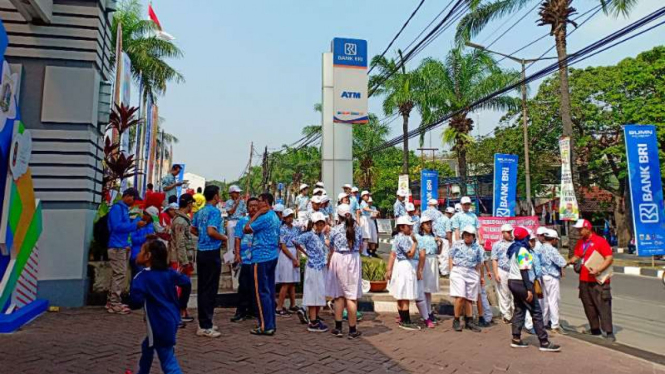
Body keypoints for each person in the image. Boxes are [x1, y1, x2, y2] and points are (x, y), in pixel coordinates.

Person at [129, 240, 191, 374]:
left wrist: (129, 299)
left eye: (141, 251)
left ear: (148, 256)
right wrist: (182, 304)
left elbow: (135, 302)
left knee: (167, 358)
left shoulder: (142, 277)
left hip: (157, 321)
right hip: (173, 318)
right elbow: (186, 283)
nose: (138, 254)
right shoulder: (169, 273)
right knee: (147, 346)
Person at [506, 226, 561, 352]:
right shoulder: (523, 251)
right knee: (536, 311)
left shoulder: (513, 249)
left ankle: (516, 338)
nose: (532, 243)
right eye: (530, 240)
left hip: (512, 281)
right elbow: (524, 271)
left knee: (519, 309)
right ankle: (544, 341)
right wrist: (529, 289)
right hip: (522, 283)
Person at [568, 219, 615, 342]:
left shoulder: (600, 241)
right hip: (584, 279)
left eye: (580, 229)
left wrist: (599, 269)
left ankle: (609, 332)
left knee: (603, 305)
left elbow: (609, 258)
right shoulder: (581, 242)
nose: (578, 231)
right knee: (588, 304)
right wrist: (569, 261)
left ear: (588, 228)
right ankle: (595, 329)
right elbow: (577, 255)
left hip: (598, 280)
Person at [243, 193, 281, 336]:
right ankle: (270, 323)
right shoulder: (274, 216)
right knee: (269, 291)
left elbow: (246, 229)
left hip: (261, 258)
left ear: (265, 202)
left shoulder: (264, 217)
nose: (256, 204)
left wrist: (257, 213)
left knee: (261, 292)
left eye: (259, 202)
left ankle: (265, 325)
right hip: (272, 256)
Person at [191, 185, 226, 338]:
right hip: (212, 252)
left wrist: (202, 236)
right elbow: (212, 231)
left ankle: (205, 321)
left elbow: (193, 229)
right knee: (210, 288)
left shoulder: (199, 212)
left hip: (201, 251)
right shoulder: (214, 212)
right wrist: (224, 238)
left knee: (203, 287)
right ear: (216, 196)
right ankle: (205, 325)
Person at [326, 204, 364, 339]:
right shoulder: (358, 229)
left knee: (338, 295)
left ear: (339, 216)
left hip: (338, 258)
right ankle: (352, 329)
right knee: (351, 296)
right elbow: (360, 246)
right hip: (353, 259)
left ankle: (338, 328)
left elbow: (330, 247)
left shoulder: (335, 230)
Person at [107, 188, 146, 314]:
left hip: (122, 245)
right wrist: (135, 225)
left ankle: (112, 301)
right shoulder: (117, 208)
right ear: (128, 196)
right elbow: (116, 227)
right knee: (120, 274)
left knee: (118, 274)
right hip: (117, 246)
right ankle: (114, 303)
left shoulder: (123, 209)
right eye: (133, 199)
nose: (134, 202)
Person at [386, 215, 425, 331]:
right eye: (409, 226)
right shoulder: (403, 238)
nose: (411, 228)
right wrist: (415, 243)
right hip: (405, 266)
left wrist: (389, 269)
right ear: (402, 227)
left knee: (401, 294)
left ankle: (403, 318)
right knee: (405, 295)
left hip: (401, 266)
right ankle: (406, 320)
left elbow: (392, 254)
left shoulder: (398, 238)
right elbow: (410, 254)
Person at [295, 212, 329, 332]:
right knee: (312, 293)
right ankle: (313, 321)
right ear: (313, 224)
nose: (320, 227)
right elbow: (296, 241)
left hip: (320, 267)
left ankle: (314, 318)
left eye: (321, 224)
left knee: (319, 293)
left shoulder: (321, 235)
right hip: (313, 267)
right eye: (317, 224)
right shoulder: (308, 235)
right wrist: (305, 253)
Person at [448, 225, 483, 332]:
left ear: (474, 236)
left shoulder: (477, 248)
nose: (468, 237)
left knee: (470, 297)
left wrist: (477, 275)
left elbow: (479, 262)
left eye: (470, 235)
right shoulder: (457, 244)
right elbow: (450, 256)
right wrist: (451, 270)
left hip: (471, 271)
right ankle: (456, 319)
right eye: (466, 235)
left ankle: (469, 320)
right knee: (460, 296)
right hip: (458, 270)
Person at [231, 197, 259, 322]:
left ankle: (253, 310)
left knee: (256, 287)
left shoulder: (261, 221)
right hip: (245, 259)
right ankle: (240, 312)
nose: (253, 208)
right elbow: (237, 238)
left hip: (258, 258)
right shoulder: (242, 221)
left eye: (255, 206)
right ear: (247, 208)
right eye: (251, 206)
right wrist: (237, 254)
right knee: (244, 286)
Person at [170, 193, 196, 323]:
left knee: (185, 286)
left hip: (183, 258)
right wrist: (184, 261)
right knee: (181, 287)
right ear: (189, 204)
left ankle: (182, 311)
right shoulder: (180, 221)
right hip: (181, 260)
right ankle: (178, 313)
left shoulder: (181, 219)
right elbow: (180, 243)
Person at [416, 216, 443, 328]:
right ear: (422, 225)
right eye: (427, 224)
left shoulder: (433, 236)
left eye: (430, 223)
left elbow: (438, 252)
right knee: (424, 287)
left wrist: (440, 243)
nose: (429, 225)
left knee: (429, 289)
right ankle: (425, 313)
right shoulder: (419, 237)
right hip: (425, 260)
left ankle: (429, 311)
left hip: (433, 259)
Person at [540, 229, 567, 335]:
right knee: (554, 301)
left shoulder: (540, 248)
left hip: (542, 276)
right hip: (551, 277)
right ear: (554, 239)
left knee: (545, 301)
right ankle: (555, 325)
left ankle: (544, 321)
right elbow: (562, 262)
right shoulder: (552, 250)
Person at [276, 208, 301, 316]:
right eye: (288, 217)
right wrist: (293, 258)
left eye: (291, 216)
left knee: (292, 282)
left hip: (293, 253)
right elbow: (283, 246)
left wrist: (297, 257)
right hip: (286, 256)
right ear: (284, 218)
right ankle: (279, 306)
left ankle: (293, 304)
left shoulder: (295, 229)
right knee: (286, 282)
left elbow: (297, 244)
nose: (290, 218)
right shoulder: (282, 229)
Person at [491, 224, 515, 324]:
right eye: (508, 232)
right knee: (504, 293)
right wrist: (496, 273)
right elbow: (494, 259)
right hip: (503, 270)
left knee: (515, 294)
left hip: (514, 272)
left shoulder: (516, 243)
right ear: (503, 233)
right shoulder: (497, 245)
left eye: (511, 232)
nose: (510, 234)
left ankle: (515, 314)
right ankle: (506, 315)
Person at [129, 208, 156, 279]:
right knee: (138, 277)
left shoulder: (151, 224)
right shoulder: (136, 223)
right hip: (137, 255)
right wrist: (145, 237)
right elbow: (133, 239)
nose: (152, 220)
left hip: (148, 257)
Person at [225, 185, 247, 255]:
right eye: (236, 192)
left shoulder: (242, 202)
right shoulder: (228, 202)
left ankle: (240, 256)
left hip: (240, 221)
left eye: (238, 192)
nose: (238, 194)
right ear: (231, 193)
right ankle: (231, 259)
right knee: (231, 241)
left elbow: (244, 213)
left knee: (241, 239)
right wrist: (236, 203)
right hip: (231, 221)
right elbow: (230, 212)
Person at [434, 207, 455, 276]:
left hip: (438, 238)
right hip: (445, 239)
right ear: (451, 214)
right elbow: (448, 232)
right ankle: (444, 272)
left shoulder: (439, 219)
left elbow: (435, 229)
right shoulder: (447, 220)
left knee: (439, 256)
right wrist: (450, 242)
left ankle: (439, 271)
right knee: (445, 256)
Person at [359, 191, 378, 257]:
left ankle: (364, 251)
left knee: (366, 236)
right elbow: (365, 209)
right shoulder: (363, 203)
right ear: (363, 196)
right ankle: (364, 251)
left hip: (367, 219)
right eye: (366, 195)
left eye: (368, 195)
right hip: (364, 219)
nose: (368, 197)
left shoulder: (365, 203)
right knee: (365, 236)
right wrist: (373, 210)